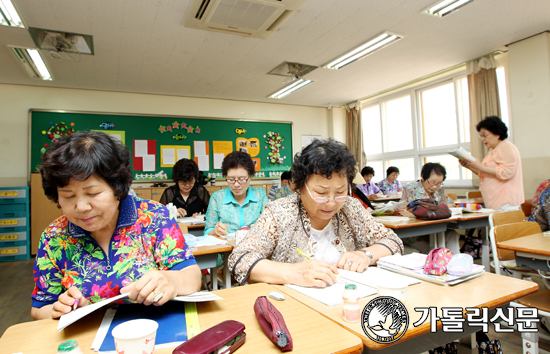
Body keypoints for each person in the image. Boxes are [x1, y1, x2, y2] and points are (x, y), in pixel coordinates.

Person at [31, 132, 201, 320]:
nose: (81, 207)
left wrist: (173, 280)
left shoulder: (154, 217)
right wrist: (59, 310)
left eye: (93, 193)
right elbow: (39, 309)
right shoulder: (54, 237)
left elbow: (191, 276)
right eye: (68, 196)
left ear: (117, 189)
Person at [228, 139, 403, 287]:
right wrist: (293, 273)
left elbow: (393, 241)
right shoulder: (279, 213)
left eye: (341, 191)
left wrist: (366, 254)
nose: (332, 202)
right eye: (321, 193)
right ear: (300, 186)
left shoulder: (351, 208)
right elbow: (240, 260)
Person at [459, 116, 524, 211]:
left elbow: (507, 172)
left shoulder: (506, 147)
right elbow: (486, 174)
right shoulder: (493, 149)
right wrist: (470, 166)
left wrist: (479, 166)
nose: (482, 139)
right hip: (495, 201)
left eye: (485, 135)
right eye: (481, 136)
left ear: (497, 134)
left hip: (505, 202)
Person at [400, 163, 460, 254]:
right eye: (432, 182)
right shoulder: (412, 189)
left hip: (436, 229)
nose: (435, 186)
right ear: (423, 177)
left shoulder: (439, 190)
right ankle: (437, 264)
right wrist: (439, 207)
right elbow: (409, 211)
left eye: (439, 183)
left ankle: (455, 264)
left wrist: (434, 208)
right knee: (430, 250)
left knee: (453, 234)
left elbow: (450, 204)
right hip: (416, 233)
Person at [204, 151, 269, 236]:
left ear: (250, 177)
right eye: (231, 179)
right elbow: (207, 231)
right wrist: (215, 231)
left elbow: (271, 225)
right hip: (227, 247)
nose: (236, 184)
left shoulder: (260, 195)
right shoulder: (217, 198)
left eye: (241, 179)